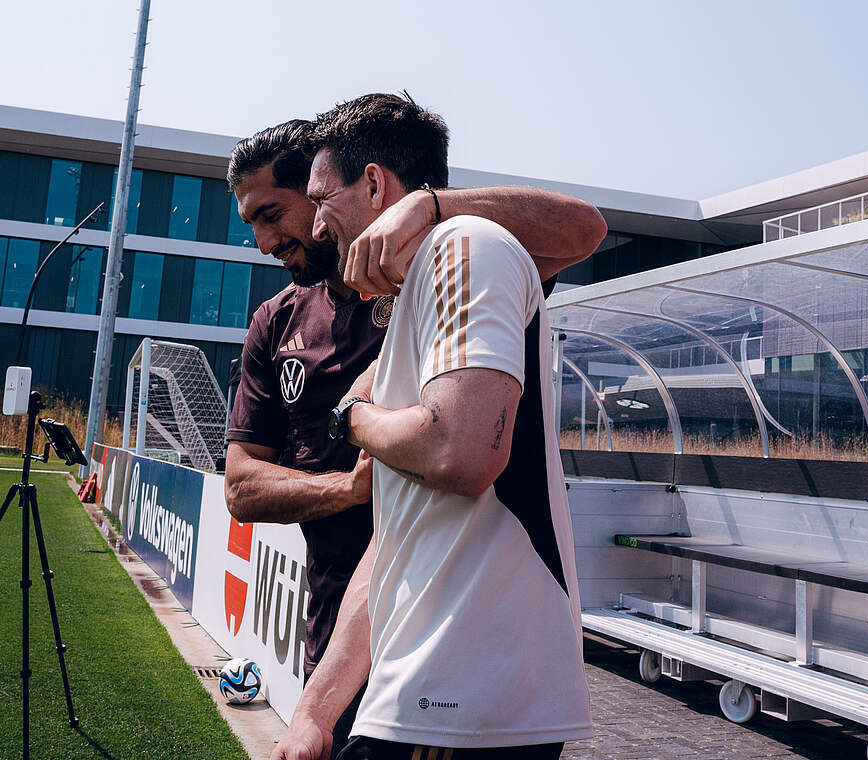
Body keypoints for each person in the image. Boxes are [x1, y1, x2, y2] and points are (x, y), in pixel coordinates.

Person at [227, 118, 604, 757]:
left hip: (447, 650)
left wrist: (428, 209)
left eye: (281, 212)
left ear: (365, 187)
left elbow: (584, 230)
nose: (269, 241)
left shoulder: (458, 263)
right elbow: (241, 485)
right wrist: (349, 488)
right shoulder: (279, 319)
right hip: (346, 624)